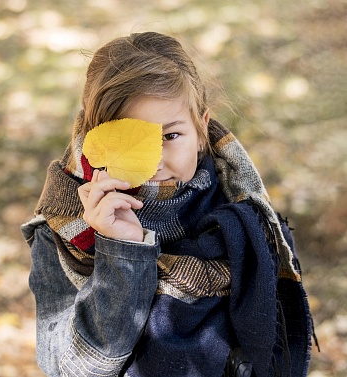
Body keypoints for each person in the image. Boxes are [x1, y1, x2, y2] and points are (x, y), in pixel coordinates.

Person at [21, 32, 315, 377]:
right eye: (132, 141)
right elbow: (73, 368)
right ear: (95, 140)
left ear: (201, 127)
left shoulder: (242, 208)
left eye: (171, 136)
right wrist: (122, 250)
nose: (155, 162)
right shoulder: (63, 228)